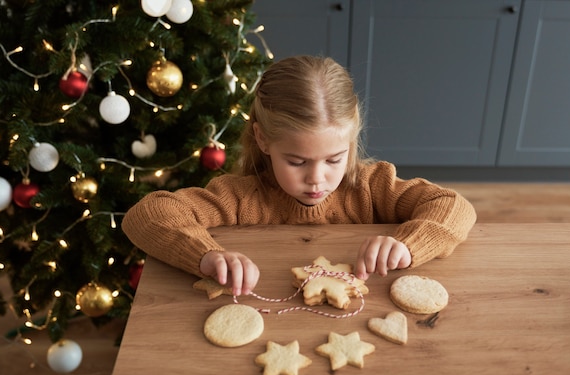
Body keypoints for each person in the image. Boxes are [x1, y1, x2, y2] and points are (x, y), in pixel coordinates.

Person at [122, 55, 477, 297]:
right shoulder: (241, 197)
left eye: (334, 159)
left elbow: (454, 207)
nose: (317, 180)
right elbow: (147, 214)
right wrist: (205, 255)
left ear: (351, 140)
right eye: (296, 162)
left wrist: (406, 245)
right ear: (263, 139)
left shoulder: (371, 186)